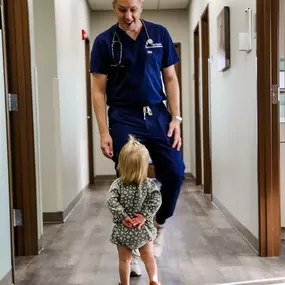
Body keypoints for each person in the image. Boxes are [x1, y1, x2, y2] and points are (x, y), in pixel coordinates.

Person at [90, 0, 185, 277]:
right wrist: (104, 131)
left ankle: (159, 223)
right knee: (128, 182)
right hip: (124, 116)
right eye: (122, 9)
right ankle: (130, 249)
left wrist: (176, 118)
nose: (128, 16)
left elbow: (170, 79)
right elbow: (98, 90)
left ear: (141, 5)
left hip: (157, 114)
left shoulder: (160, 34)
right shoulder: (104, 42)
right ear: (113, 7)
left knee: (176, 172)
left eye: (133, 9)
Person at [107, 135, 162, 285]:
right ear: (144, 166)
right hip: (143, 229)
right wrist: (143, 216)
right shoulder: (149, 184)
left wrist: (123, 216)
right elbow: (156, 199)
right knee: (148, 256)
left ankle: (125, 283)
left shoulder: (117, 184)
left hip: (124, 229)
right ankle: (154, 279)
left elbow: (111, 201)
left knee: (124, 260)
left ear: (122, 165)